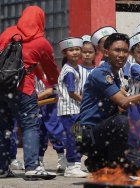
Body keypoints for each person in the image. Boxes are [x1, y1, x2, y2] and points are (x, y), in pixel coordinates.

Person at [75, 33, 140, 173]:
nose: (122, 55)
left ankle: (101, 163)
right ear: (106, 52)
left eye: (125, 51)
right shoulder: (101, 73)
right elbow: (124, 102)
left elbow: (126, 102)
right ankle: (118, 164)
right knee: (122, 122)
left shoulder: (115, 76)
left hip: (103, 134)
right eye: (117, 50)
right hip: (85, 134)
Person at [0, 6, 59, 179]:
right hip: (21, 88)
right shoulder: (41, 42)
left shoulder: (8, 33)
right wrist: (52, 83)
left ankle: (2, 168)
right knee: (30, 125)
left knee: (2, 128)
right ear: (41, 20)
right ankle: (32, 166)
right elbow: (51, 69)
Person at [57, 37, 88, 178]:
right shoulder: (69, 70)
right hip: (70, 110)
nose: (75, 52)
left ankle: (75, 164)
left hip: (75, 109)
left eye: (77, 49)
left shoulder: (75, 68)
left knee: (78, 137)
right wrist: (85, 101)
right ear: (65, 53)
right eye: (71, 50)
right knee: (74, 137)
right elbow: (71, 92)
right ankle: (71, 166)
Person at [34, 76, 67, 173]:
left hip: (50, 104)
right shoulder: (28, 72)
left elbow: (52, 90)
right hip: (35, 106)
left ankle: (61, 158)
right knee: (39, 132)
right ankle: (39, 160)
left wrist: (33, 99)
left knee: (55, 131)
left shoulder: (49, 71)